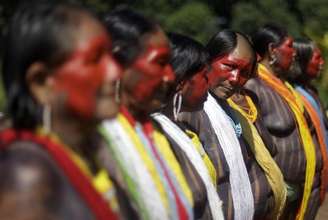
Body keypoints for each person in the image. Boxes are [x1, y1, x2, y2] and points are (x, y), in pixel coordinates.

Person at [0, 2, 123, 220]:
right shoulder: (27, 178)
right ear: (41, 82)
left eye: (111, 57)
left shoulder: (87, 151)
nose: (115, 72)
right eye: (95, 58)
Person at [101, 8, 211, 220]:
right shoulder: (95, 138)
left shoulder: (153, 129)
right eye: (160, 63)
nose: (170, 76)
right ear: (116, 63)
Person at [246, 24, 316, 220]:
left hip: (297, 190)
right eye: (290, 46)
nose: (294, 53)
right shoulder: (254, 85)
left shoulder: (285, 88)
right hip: (274, 192)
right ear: (272, 50)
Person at [152, 32, 224, 220]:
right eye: (204, 77)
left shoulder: (179, 129)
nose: (209, 85)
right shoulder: (156, 136)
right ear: (182, 82)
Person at [287, 38, 328, 219]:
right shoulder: (294, 95)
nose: (322, 63)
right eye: (317, 58)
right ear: (302, 61)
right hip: (304, 183)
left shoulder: (310, 91)